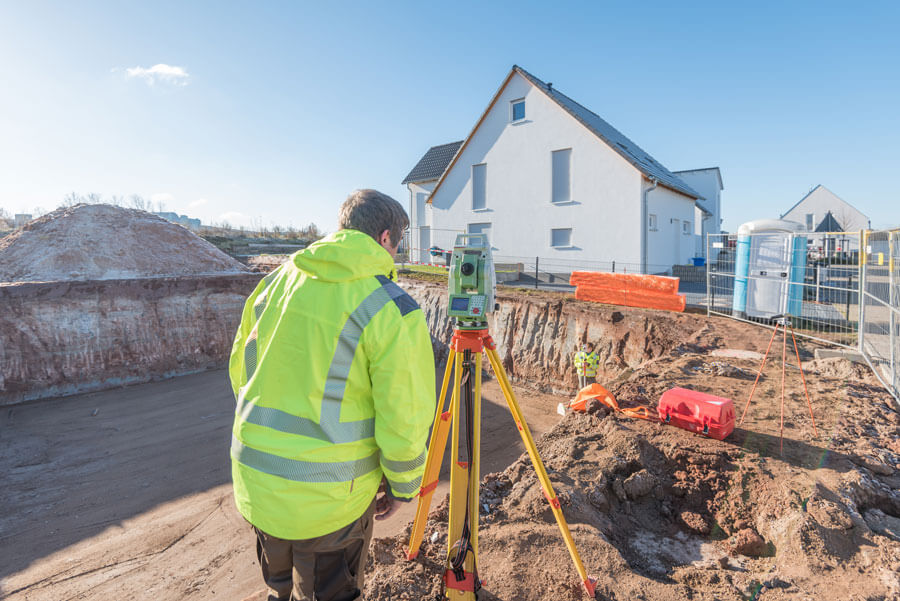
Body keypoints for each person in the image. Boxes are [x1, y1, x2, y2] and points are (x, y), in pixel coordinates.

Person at [229, 189, 436, 601]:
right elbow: (405, 414)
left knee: (279, 591)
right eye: (397, 246)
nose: (396, 256)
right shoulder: (389, 307)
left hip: (257, 482)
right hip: (330, 502)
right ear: (384, 239)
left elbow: (241, 369)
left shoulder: (277, 283)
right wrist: (402, 485)